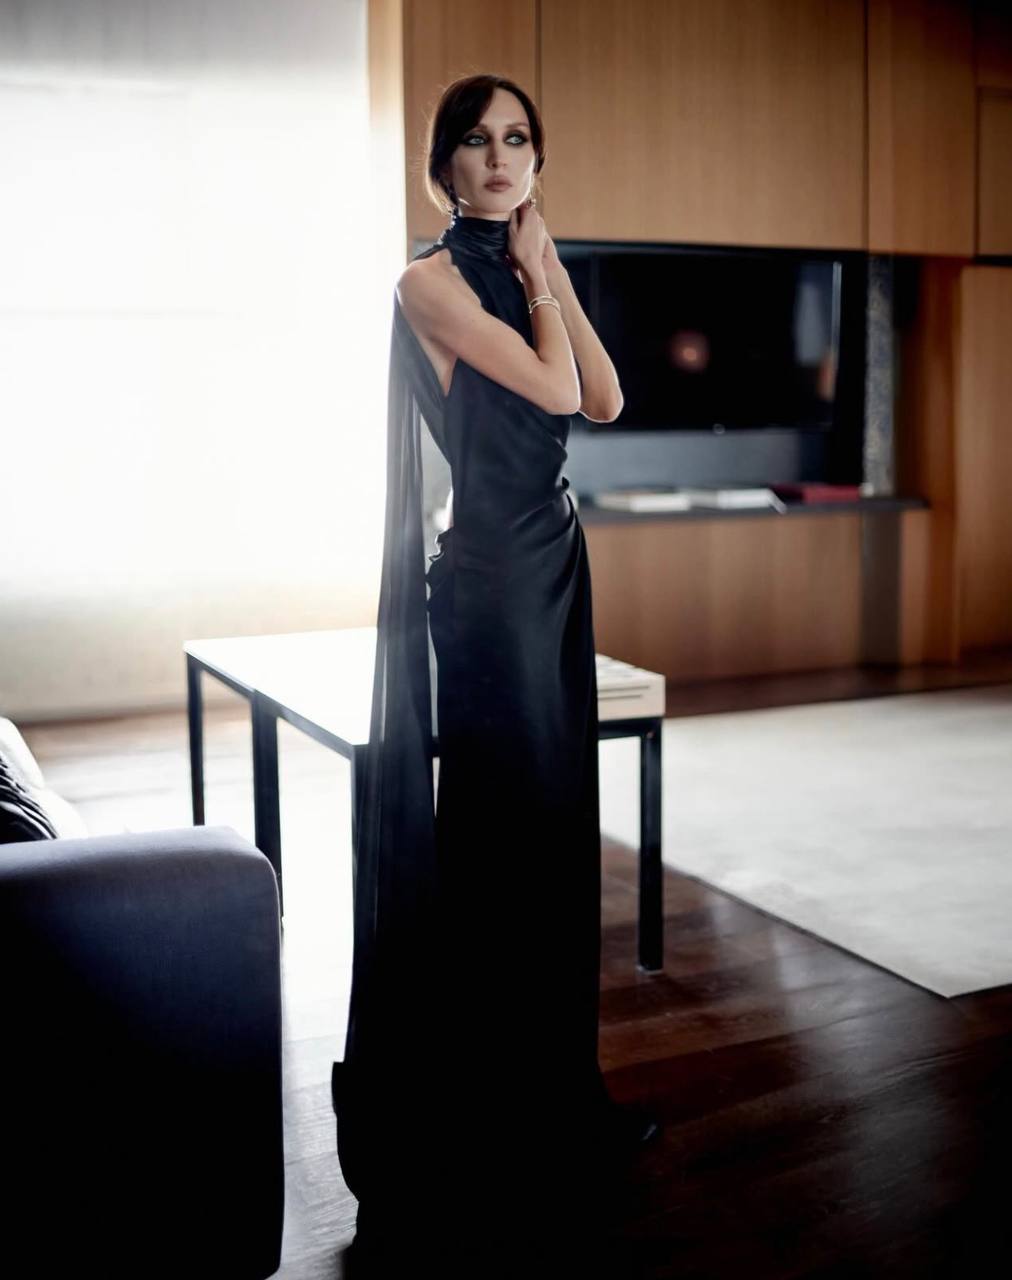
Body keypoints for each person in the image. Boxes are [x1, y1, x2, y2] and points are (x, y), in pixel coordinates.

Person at [331, 73, 660, 1275]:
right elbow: (558, 389)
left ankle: (556, 1098)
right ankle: (485, 1121)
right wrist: (531, 273)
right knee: (502, 839)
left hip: (554, 568)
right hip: (488, 583)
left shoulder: (529, 268)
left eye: (519, 139)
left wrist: (548, 269)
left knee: (553, 832)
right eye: (476, 141)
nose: (500, 157)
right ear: (442, 168)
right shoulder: (427, 280)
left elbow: (608, 398)